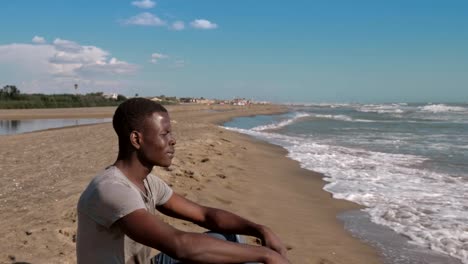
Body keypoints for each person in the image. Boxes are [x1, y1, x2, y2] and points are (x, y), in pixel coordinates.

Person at [76, 98, 290, 264]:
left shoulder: (148, 182)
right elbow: (180, 245)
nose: (173, 140)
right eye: (165, 133)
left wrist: (261, 230)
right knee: (244, 256)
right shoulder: (112, 189)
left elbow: (205, 215)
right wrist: (265, 255)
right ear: (136, 139)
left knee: (229, 238)